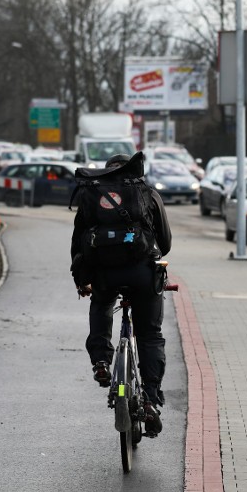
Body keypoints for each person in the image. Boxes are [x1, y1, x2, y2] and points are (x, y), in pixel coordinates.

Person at [70, 151, 172, 434]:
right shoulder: (146, 193)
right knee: (150, 334)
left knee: (101, 305)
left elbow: (78, 241)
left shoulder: (92, 193)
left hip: (104, 273)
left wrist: (82, 281)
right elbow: (165, 241)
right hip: (142, 273)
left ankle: (101, 360)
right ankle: (150, 397)